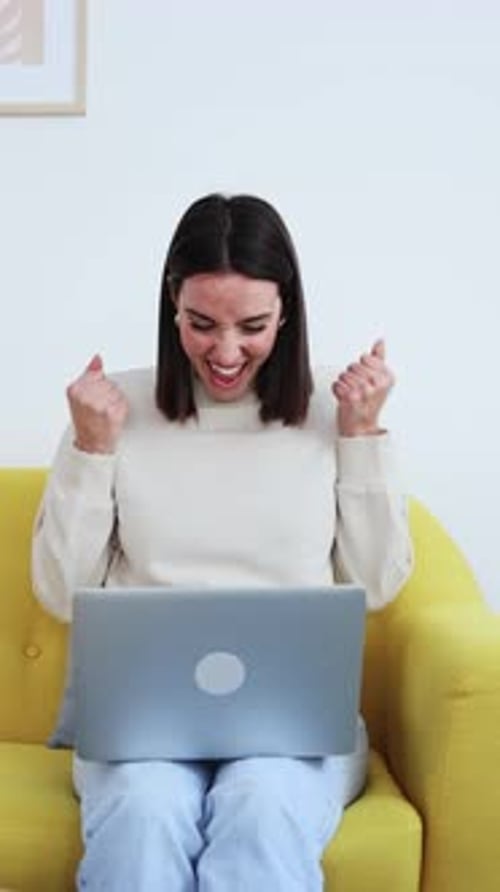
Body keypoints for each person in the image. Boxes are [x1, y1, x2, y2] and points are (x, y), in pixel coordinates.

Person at [32, 192, 413, 892]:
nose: (227, 352)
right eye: (201, 324)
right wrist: (91, 452)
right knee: (146, 812)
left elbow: (378, 585)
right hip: (138, 731)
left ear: (287, 313)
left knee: (262, 806)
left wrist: (362, 439)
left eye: (253, 326)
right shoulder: (111, 408)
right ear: (171, 304)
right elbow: (61, 596)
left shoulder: (336, 407)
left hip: (292, 734)